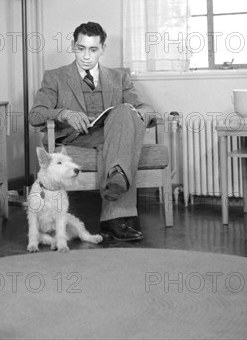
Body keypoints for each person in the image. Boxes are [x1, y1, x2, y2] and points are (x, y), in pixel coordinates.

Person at [29, 21, 154, 242]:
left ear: (103, 49)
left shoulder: (119, 77)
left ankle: (117, 180)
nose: (86, 56)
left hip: (111, 134)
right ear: (73, 46)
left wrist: (135, 117)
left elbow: (144, 108)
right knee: (122, 137)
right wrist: (64, 113)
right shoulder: (55, 76)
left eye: (93, 49)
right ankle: (117, 217)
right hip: (74, 138)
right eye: (81, 48)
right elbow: (35, 115)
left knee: (125, 113)